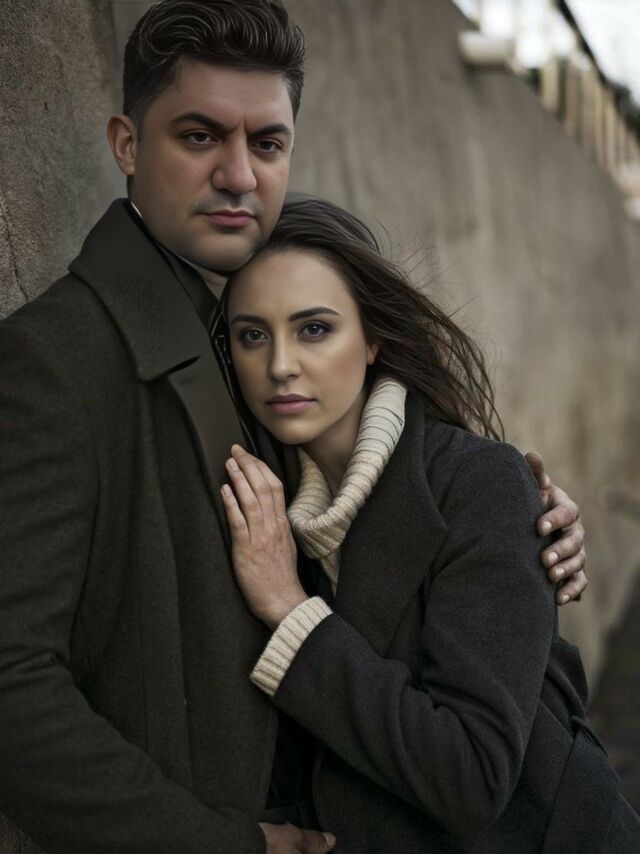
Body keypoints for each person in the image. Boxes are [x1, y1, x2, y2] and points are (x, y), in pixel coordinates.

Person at [0, 2, 586, 852]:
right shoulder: (54, 360)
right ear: (127, 144)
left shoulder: (251, 343)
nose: (239, 175)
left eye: (268, 143)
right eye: (199, 136)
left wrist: (521, 542)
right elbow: (11, 680)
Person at [218, 195, 640, 853]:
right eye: (253, 335)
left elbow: (472, 776)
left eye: (315, 329)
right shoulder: (265, 511)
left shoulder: (479, 484)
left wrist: (293, 615)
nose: (280, 365)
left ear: (373, 340)